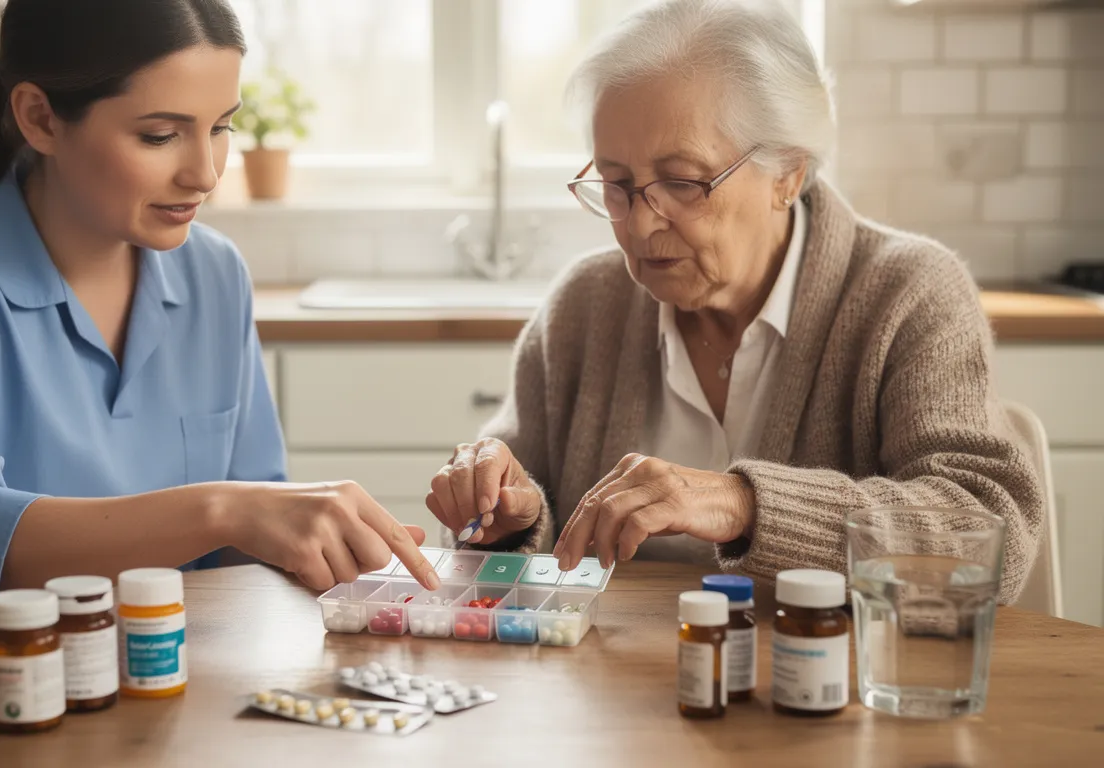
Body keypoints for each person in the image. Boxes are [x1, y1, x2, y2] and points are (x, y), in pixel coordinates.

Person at [0, 0, 438, 648]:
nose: (206, 173)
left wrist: (321, 552)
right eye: (160, 135)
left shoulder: (213, 274)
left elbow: (250, 538)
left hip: (132, 680)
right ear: (40, 118)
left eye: (220, 127)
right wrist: (223, 511)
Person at [424, 0, 1043, 601]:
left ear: (789, 173)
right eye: (617, 185)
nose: (639, 226)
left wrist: (740, 503)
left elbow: (990, 533)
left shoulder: (909, 294)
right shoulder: (584, 307)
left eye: (684, 182)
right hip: (612, 694)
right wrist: (507, 517)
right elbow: (501, 537)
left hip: (827, 692)